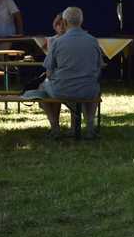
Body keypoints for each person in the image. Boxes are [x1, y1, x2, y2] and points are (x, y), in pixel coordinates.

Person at [34, 7, 103, 139]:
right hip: (88, 89)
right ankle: (89, 127)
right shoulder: (93, 41)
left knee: (42, 88)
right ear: (81, 21)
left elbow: (48, 71)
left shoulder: (57, 42)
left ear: (64, 22)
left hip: (63, 89)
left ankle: (55, 127)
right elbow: (99, 66)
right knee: (93, 87)